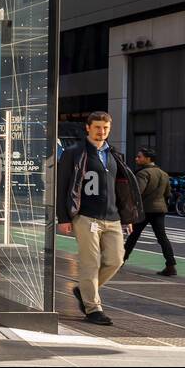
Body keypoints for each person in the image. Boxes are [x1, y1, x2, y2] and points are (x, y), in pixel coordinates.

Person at [56, 111, 145, 326]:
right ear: (88, 128)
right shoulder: (74, 153)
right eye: (97, 127)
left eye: (105, 128)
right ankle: (93, 307)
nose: (101, 131)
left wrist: (127, 217)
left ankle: (83, 290)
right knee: (90, 263)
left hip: (113, 217)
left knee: (116, 260)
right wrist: (63, 217)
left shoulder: (115, 155)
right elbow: (62, 185)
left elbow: (121, 189)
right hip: (85, 216)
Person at [123, 147, 177, 277]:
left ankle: (120, 260)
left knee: (133, 236)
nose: (137, 158)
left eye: (139, 156)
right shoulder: (163, 174)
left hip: (145, 210)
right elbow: (168, 193)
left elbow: (137, 192)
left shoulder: (143, 173)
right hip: (160, 209)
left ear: (148, 159)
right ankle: (171, 265)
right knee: (162, 238)